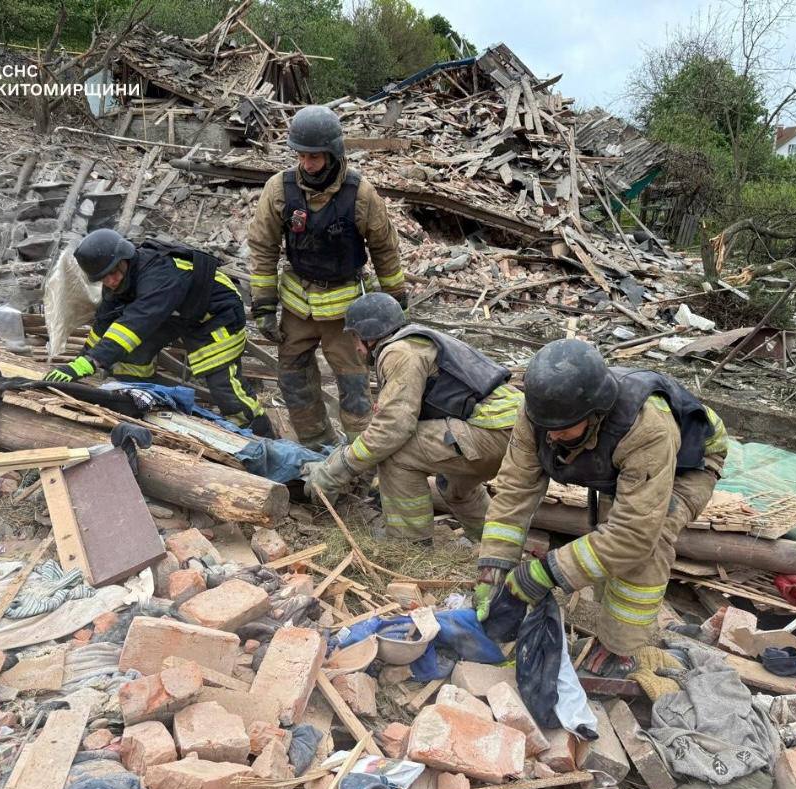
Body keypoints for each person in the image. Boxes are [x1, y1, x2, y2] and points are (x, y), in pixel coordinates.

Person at [475, 338, 728, 677]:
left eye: (562, 430)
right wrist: (492, 569)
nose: (551, 438)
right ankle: (607, 618)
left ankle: (621, 650)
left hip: (689, 462)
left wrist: (544, 572)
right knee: (606, 546)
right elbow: (513, 493)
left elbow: (633, 536)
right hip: (621, 460)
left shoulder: (646, 427)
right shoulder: (541, 415)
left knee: (648, 543)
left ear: (595, 414)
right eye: (546, 428)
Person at [302, 293, 523, 543]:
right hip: (511, 428)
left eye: (355, 337)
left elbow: (391, 431)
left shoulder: (400, 352)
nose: (355, 347)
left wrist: (335, 471)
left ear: (369, 334)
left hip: (494, 429)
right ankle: (495, 548)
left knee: (397, 454)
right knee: (453, 485)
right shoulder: (418, 341)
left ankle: (409, 544)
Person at [248, 105, 405, 449]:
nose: (306, 164)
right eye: (301, 156)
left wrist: (395, 303)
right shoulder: (279, 190)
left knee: (354, 387)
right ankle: (316, 445)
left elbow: (385, 250)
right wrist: (263, 305)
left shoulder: (360, 194)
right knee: (294, 380)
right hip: (298, 306)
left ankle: (360, 457)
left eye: (314, 157)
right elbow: (263, 247)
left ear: (333, 153)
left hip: (346, 313)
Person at [44, 228, 274, 437]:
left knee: (222, 383)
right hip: (176, 312)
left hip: (216, 314)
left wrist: (90, 363)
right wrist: (79, 363)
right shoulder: (118, 282)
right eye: (104, 277)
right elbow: (103, 325)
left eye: (113, 272)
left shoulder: (159, 275)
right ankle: (140, 402)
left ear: (125, 259)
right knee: (130, 358)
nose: (111, 281)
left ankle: (259, 434)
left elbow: (134, 324)